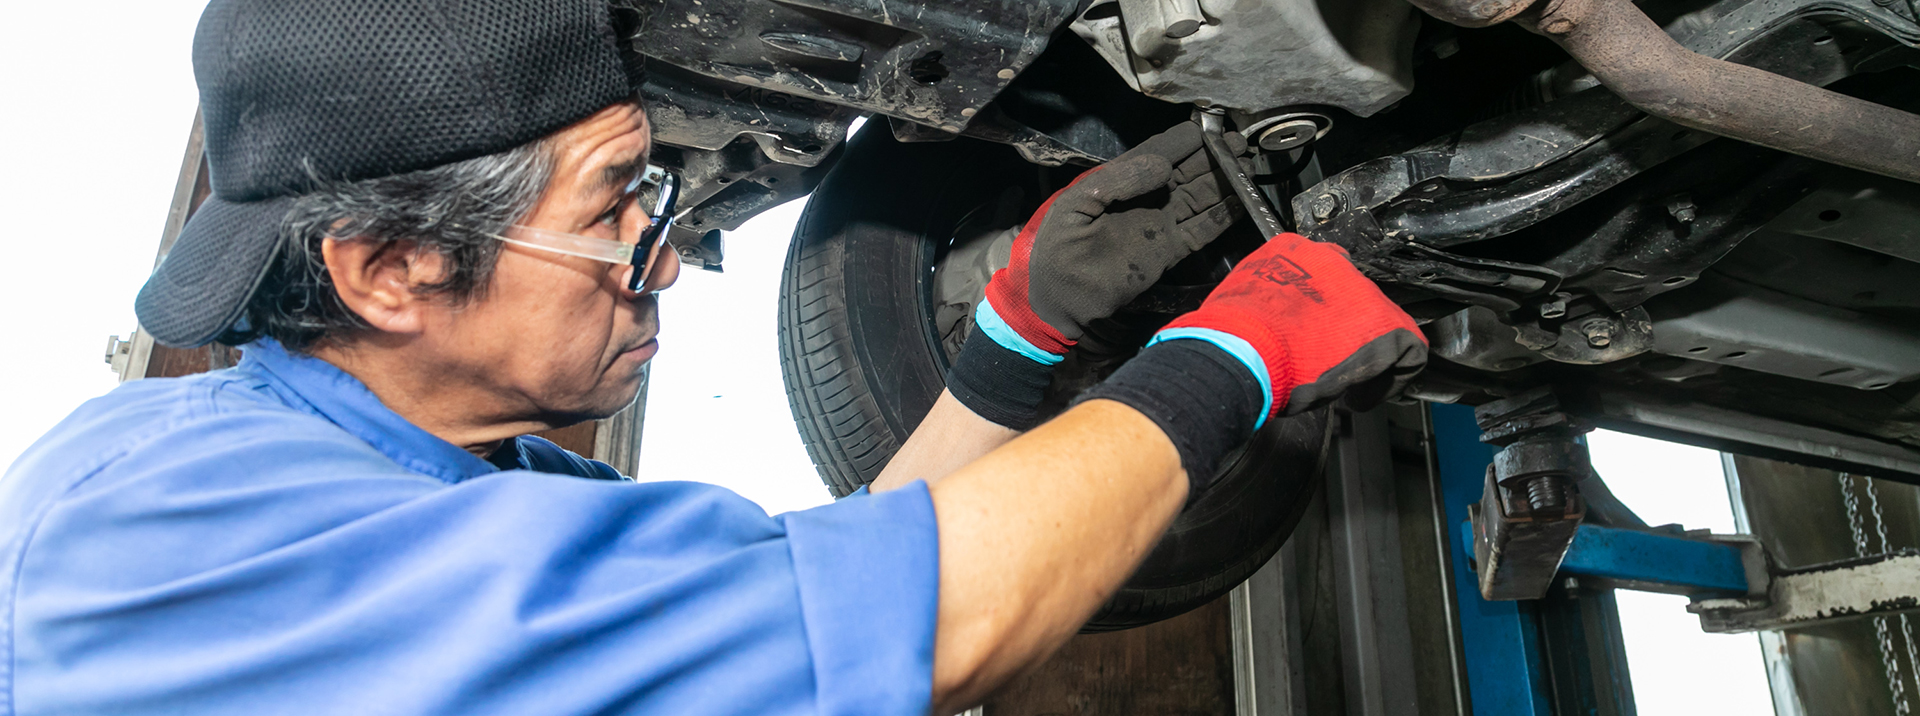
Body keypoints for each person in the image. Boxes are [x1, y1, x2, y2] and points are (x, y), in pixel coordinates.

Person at [0, 0, 1426, 713]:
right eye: (619, 205)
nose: (668, 254)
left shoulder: (406, 495)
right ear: (392, 274)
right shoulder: (180, 538)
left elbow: (842, 595)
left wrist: (1014, 341)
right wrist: (1235, 353)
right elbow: (939, 626)